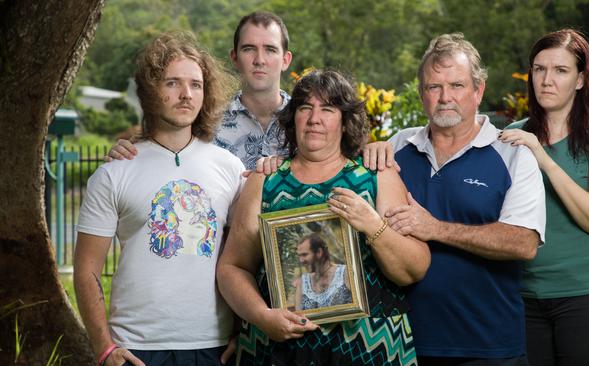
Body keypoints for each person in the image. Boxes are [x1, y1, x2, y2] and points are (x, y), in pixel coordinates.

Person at [346, 33, 546, 365]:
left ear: (478, 91)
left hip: (487, 345)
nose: (445, 97)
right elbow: (331, 177)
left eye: (456, 86)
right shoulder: (395, 148)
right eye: (433, 87)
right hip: (403, 342)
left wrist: (435, 228)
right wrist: (278, 168)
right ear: (422, 93)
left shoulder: (511, 154)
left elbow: (523, 242)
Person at [217, 69, 431, 366]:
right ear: (294, 119)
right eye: (306, 108)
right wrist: (262, 317)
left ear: (345, 121)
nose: (315, 118)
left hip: (371, 348)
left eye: (328, 109)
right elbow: (232, 268)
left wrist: (373, 225)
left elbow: (414, 269)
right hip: (280, 350)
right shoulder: (264, 181)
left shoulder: (376, 176)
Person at [74, 30, 243, 366]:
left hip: (214, 346)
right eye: (172, 83)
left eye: (196, 84)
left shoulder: (230, 168)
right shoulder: (114, 173)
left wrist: (242, 331)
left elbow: (243, 260)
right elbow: (86, 269)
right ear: (151, 90)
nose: (186, 94)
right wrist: (104, 347)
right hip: (135, 348)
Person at [499, 29, 589, 366]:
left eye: (560, 70)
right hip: (525, 301)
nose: (546, 79)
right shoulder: (514, 134)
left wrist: (542, 157)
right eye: (539, 69)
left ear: (579, 79)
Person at [106, 11, 293, 169]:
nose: (259, 60)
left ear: (286, 60)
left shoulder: (310, 120)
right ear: (234, 57)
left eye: (270, 49)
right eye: (249, 49)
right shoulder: (203, 121)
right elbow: (162, 150)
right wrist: (128, 152)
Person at [294, 232, 352, 310]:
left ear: (319, 252)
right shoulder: (303, 283)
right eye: (299, 256)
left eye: (304, 255)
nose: (301, 260)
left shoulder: (345, 273)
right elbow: (299, 316)